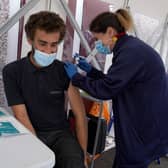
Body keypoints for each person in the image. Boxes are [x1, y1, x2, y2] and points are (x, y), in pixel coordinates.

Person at [64, 9, 168, 168]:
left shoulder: (131, 53)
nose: (97, 44)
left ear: (110, 32)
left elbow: (106, 90)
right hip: (144, 119)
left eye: (98, 39)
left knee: (130, 161)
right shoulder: (130, 48)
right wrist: (91, 71)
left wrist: (76, 78)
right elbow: (117, 82)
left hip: (143, 125)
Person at [3, 11, 88, 168]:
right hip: (29, 131)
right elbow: (21, 115)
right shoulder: (12, 71)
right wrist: (39, 151)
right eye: (42, 44)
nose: (49, 51)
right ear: (30, 40)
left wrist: (83, 154)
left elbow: (80, 115)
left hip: (61, 134)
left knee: (74, 162)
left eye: (54, 45)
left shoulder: (64, 70)